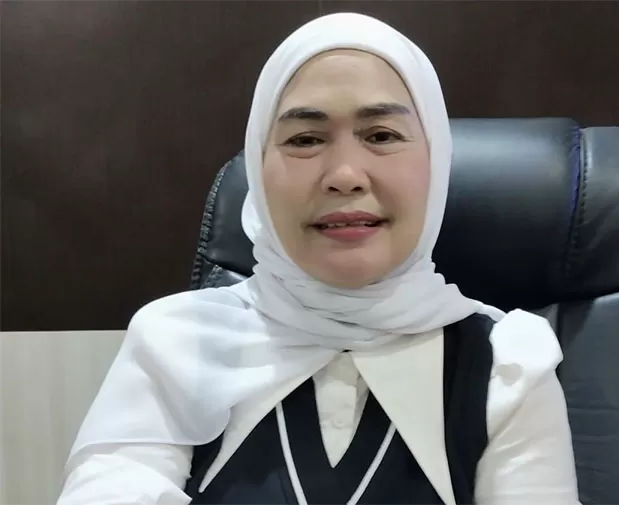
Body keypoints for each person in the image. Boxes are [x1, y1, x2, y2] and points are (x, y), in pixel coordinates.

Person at [57, 12, 581, 505]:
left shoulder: (508, 365)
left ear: (436, 161)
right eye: (305, 139)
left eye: (382, 135)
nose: (345, 175)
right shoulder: (175, 343)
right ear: (259, 170)